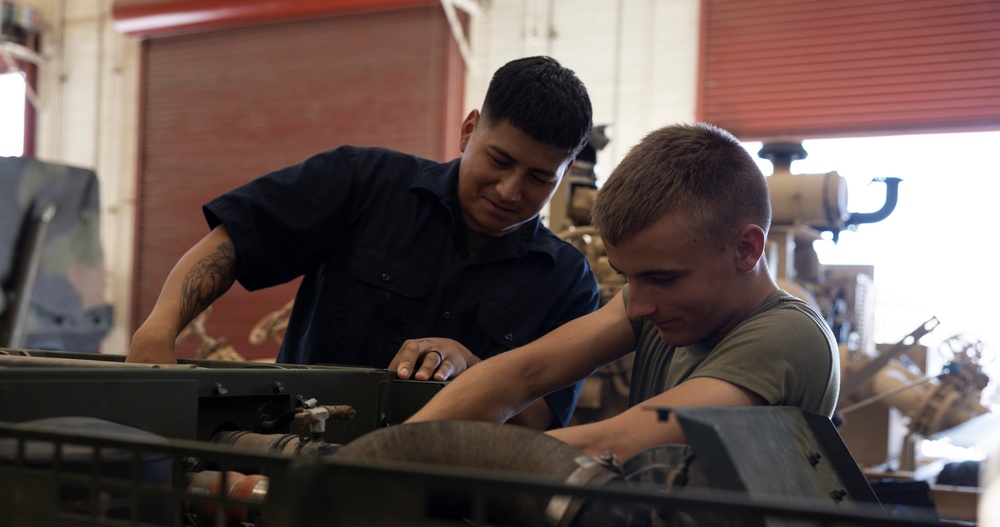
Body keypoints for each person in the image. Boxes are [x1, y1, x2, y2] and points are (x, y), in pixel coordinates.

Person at [126, 56, 601, 430]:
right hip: (298, 454)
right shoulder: (362, 181)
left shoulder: (567, 283)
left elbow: (542, 420)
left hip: (447, 495)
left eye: (540, 178)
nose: (509, 190)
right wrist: (158, 330)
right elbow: (234, 242)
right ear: (469, 129)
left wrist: (476, 369)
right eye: (499, 161)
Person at [406, 122, 841, 461]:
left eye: (663, 278)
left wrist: (419, 457)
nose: (639, 306)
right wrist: (385, 452)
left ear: (746, 248)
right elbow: (521, 374)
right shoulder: (656, 304)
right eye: (627, 276)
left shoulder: (789, 335)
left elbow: (618, 442)